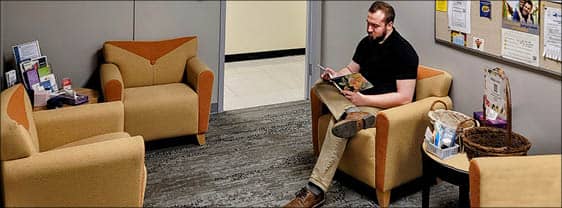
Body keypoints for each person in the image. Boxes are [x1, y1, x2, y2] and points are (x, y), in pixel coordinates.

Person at [283, 1, 418, 208]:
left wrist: (365, 101)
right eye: (368, 23)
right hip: (358, 95)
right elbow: (351, 69)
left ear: (389, 24)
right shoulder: (367, 42)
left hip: (378, 105)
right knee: (321, 86)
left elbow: (405, 98)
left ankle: (315, 191)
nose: (369, 29)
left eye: (375, 25)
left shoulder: (405, 52)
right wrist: (335, 76)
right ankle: (352, 113)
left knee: (337, 124)